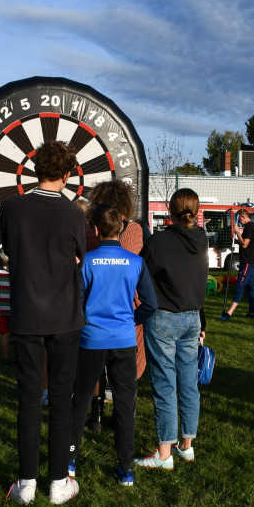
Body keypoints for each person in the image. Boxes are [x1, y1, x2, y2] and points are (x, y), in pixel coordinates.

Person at [0, 142, 86, 505]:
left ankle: (26, 484)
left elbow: (10, 247)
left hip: (25, 314)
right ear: (67, 175)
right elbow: (81, 256)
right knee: (62, 401)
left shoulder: (12, 207)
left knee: (29, 400)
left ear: (35, 169)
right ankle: (57, 484)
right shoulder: (73, 214)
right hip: (64, 315)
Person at [69, 203, 158, 486]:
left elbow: (76, 302)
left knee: (81, 400)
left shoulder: (88, 261)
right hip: (123, 340)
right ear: (122, 228)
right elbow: (151, 304)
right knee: (124, 403)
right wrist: (132, 319)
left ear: (95, 229)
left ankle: (69, 463)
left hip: (91, 340)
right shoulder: (136, 262)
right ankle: (125, 469)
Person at [134, 188, 209, 469]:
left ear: (171, 209)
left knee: (165, 384)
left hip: (163, 317)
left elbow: (140, 272)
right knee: (188, 382)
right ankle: (185, 445)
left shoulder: (159, 242)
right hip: (192, 318)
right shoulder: (201, 238)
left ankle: (164, 453)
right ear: (196, 209)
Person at [83, 180, 147, 431]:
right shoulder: (134, 231)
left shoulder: (90, 230)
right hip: (126, 307)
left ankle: (96, 414)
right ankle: (123, 417)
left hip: (94, 307)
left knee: (95, 364)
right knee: (126, 369)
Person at [220, 209, 254, 320]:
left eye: (239, 219)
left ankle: (229, 313)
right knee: (249, 288)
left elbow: (245, 244)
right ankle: (252, 313)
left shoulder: (249, 227)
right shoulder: (251, 227)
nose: (239, 222)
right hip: (249, 261)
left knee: (240, 285)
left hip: (247, 262)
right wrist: (236, 241)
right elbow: (245, 242)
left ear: (243, 217)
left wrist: (237, 232)